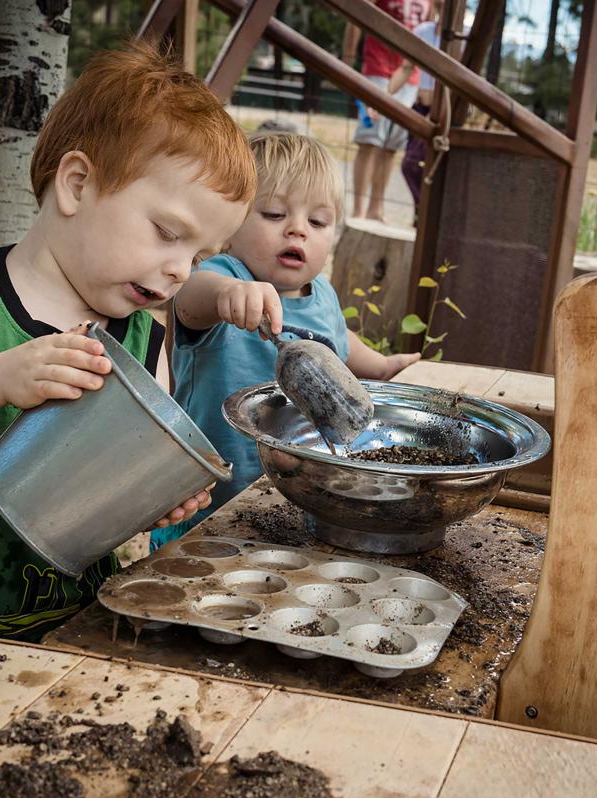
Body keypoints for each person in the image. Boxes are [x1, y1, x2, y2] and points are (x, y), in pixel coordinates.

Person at [0, 43, 255, 681]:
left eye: (199, 256)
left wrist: (156, 495)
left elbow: (104, 497)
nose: (178, 269)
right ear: (77, 184)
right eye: (169, 233)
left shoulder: (143, 339)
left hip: (57, 640)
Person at [151, 133, 421, 545]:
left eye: (317, 222)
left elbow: (338, 343)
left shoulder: (323, 292)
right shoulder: (226, 277)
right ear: (231, 224)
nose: (297, 230)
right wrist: (226, 295)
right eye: (275, 214)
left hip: (296, 505)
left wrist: (383, 366)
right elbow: (188, 301)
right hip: (209, 505)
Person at [343, 0, 431, 223]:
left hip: (411, 79)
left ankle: (376, 208)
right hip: (377, 70)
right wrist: (349, 57)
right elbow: (356, 15)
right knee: (369, 141)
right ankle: (358, 209)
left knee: (391, 147)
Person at [388, 0, 448, 208]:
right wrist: (385, 97)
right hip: (422, 108)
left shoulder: (464, 40)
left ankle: (426, 212)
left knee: (429, 165)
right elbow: (406, 68)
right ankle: (423, 211)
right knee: (411, 164)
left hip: (444, 113)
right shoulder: (424, 31)